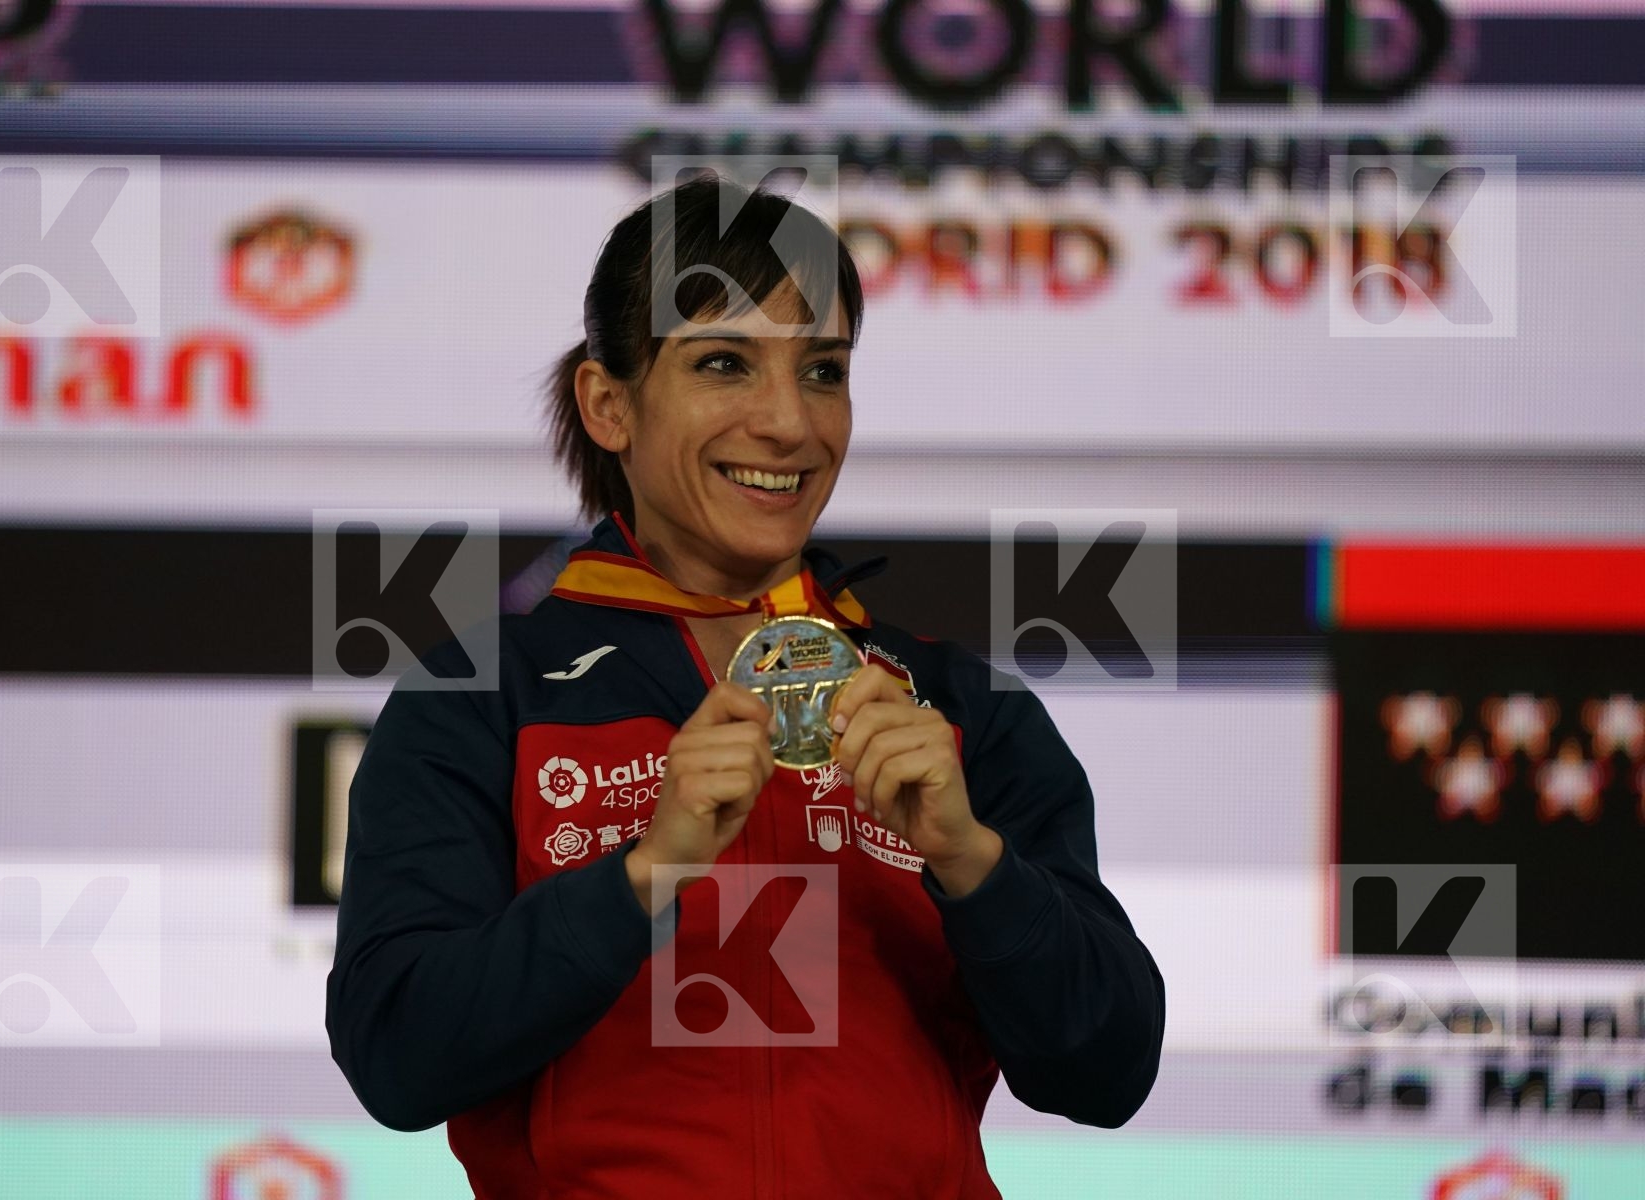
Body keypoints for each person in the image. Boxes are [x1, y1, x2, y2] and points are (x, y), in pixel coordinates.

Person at [326, 175, 1166, 1198]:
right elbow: (399, 1054)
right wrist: (645, 875)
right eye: (724, 363)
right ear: (609, 403)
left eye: (823, 371)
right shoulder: (482, 698)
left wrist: (971, 863)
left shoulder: (951, 704)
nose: (788, 424)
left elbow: (1109, 1070)